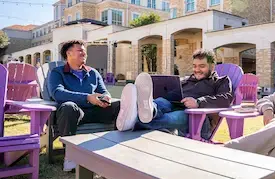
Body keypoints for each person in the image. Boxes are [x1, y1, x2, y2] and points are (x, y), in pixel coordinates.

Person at [116, 49, 233, 139]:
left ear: (212, 66)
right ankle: (150, 109)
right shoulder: (187, 81)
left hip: (198, 118)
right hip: (175, 105)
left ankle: (132, 120)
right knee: (162, 101)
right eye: (195, 66)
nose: (197, 70)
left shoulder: (221, 81)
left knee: (169, 118)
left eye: (202, 66)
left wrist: (198, 102)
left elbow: (225, 99)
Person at [48, 40, 120, 172]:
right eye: (80, 50)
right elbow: (57, 93)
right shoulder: (57, 73)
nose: (84, 52)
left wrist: (105, 98)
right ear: (69, 53)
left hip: (95, 111)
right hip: (74, 114)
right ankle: (70, 156)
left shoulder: (93, 73)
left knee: (119, 105)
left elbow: (103, 91)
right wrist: (87, 97)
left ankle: (115, 150)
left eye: (84, 50)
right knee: (68, 107)